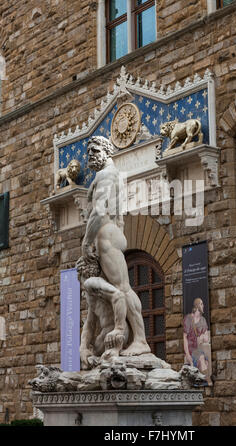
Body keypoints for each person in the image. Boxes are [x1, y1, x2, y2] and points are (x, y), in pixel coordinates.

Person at [77, 135, 150, 367]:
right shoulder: (111, 174)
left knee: (122, 287)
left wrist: (86, 241)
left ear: (107, 151)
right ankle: (133, 338)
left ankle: (140, 339)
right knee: (118, 288)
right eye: (88, 151)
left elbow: (99, 211)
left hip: (105, 234)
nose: (90, 155)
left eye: (95, 149)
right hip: (110, 233)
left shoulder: (106, 174)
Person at [183, 298, 210, 379]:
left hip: (197, 348)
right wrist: (187, 354)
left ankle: (203, 379)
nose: (203, 305)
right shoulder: (188, 318)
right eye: (201, 304)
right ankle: (206, 380)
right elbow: (185, 338)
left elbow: (206, 338)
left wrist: (202, 337)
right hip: (190, 348)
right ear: (197, 306)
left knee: (205, 361)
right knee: (201, 359)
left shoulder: (203, 320)